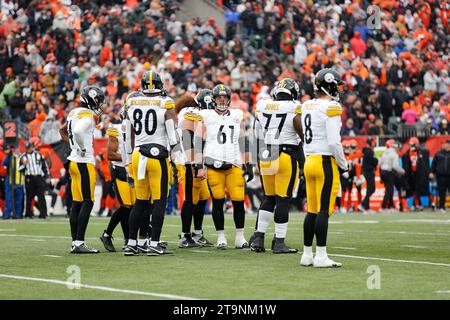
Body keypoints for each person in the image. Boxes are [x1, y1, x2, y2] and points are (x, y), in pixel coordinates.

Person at [123, 71, 181, 256]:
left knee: (140, 201)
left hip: (138, 154)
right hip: (157, 155)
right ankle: (154, 243)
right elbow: (172, 136)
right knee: (159, 201)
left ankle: (132, 243)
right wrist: (177, 159)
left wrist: (128, 157)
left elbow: (128, 135)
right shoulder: (166, 102)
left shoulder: (131, 102)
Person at [194, 84, 253, 249]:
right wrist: (199, 165)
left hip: (234, 162)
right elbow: (198, 140)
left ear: (228, 99)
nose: (221, 100)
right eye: (219, 98)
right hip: (213, 163)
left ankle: (240, 237)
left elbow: (243, 139)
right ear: (213, 99)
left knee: (238, 201)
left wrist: (248, 163)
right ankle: (221, 236)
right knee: (218, 201)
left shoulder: (236, 115)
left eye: (224, 98)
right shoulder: (206, 115)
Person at [300, 68, 348, 268]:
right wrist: (344, 164)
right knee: (323, 211)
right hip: (325, 162)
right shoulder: (331, 106)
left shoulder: (306, 105)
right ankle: (321, 256)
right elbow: (334, 142)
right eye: (336, 85)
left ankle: (306, 254)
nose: (338, 89)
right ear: (328, 86)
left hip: (309, 160)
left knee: (311, 210)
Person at [250, 78, 303, 254]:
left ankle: (258, 237)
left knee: (268, 198)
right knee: (282, 200)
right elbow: (301, 131)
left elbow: (255, 134)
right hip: (286, 154)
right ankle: (279, 242)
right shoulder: (295, 107)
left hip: (266, 153)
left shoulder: (263, 105)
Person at [59, 85, 108, 253]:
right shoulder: (87, 116)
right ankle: (79, 242)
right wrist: (82, 148)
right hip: (83, 162)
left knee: (77, 203)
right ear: (92, 99)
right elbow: (79, 131)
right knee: (87, 201)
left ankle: (76, 242)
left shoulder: (73, 112)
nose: (100, 105)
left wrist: (73, 147)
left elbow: (62, 130)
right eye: (98, 102)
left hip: (73, 161)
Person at [175, 90, 213, 248]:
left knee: (203, 196)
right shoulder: (190, 112)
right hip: (188, 161)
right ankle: (185, 236)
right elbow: (189, 138)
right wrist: (196, 164)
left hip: (193, 160)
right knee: (190, 199)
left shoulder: (192, 112)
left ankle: (197, 233)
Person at [100, 104, 138, 252]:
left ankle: (128, 239)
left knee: (132, 206)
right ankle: (107, 234)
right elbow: (110, 155)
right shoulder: (116, 129)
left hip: (132, 170)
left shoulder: (139, 130)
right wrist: (131, 156)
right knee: (127, 206)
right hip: (121, 170)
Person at [21, 137, 50, 219]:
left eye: (29, 148)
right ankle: (28, 214)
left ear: (32, 147)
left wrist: (47, 176)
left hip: (38, 177)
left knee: (41, 196)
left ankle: (43, 214)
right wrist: (24, 165)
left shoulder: (38, 155)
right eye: (26, 148)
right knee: (29, 197)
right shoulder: (23, 157)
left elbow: (45, 166)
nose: (28, 150)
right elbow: (19, 169)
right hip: (29, 178)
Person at [402, 137, 430, 210]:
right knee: (412, 190)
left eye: (413, 144)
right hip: (411, 174)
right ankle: (414, 204)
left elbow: (425, 163)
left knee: (420, 190)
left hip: (419, 174)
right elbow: (405, 165)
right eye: (411, 144)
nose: (412, 146)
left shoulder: (422, 152)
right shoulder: (407, 154)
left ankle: (421, 204)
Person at [379, 139, 405, 211]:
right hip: (389, 172)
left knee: (389, 190)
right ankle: (383, 206)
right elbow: (395, 166)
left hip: (383, 172)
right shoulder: (394, 154)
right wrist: (402, 171)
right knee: (389, 190)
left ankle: (391, 206)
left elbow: (380, 164)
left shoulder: (384, 153)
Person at [2, 145, 24, 219]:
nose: (16, 150)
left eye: (17, 148)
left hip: (20, 181)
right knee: (8, 199)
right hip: (10, 180)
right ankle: (7, 215)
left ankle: (17, 215)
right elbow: (4, 163)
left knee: (18, 199)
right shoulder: (10, 157)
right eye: (15, 148)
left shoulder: (22, 157)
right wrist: (9, 155)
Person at [430, 140, 450, 212]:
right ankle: (442, 207)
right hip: (440, 176)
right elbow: (433, 164)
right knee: (442, 192)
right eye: (444, 144)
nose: (445, 145)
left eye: (446, 144)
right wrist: (432, 172)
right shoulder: (438, 153)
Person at [360, 136, 378, 213]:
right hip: (368, 171)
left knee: (370, 189)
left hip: (367, 171)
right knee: (371, 188)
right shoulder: (368, 151)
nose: (373, 145)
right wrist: (376, 160)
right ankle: (364, 205)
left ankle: (365, 205)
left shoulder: (366, 151)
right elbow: (373, 161)